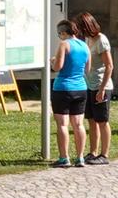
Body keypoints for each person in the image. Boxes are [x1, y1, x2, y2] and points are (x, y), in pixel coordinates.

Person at [73, 10, 114, 165]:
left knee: (102, 120)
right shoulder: (88, 40)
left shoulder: (101, 40)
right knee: (91, 120)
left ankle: (104, 154)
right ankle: (93, 152)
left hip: (101, 85)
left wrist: (102, 88)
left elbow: (109, 66)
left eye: (80, 27)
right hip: (89, 85)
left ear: (86, 26)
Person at [48, 18, 90, 168]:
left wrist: (52, 61)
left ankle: (64, 157)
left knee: (62, 125)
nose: (59, 36)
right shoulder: (85, 46)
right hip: (80, 87)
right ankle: (80, 158)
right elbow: (87, 69)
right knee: (78, 124)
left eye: (59, 34)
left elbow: (57, 67)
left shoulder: (64, 44)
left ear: (65, 33)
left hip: (63, 88)